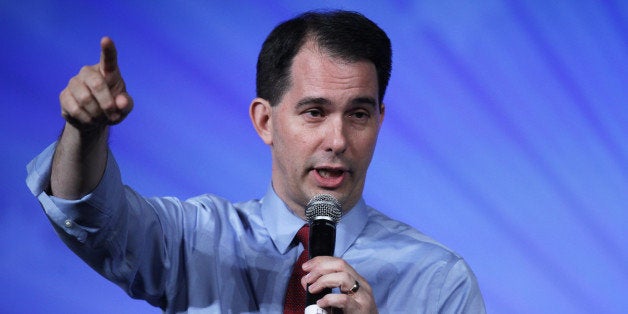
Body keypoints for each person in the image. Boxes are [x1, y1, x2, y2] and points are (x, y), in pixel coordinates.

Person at [26, 10, 485, 313]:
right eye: (315, 112)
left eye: (359, 114)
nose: (339, 139)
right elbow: (87, 216)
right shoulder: (195, 239)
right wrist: (84, 132)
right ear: (265, 121)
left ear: (380, 121)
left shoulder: (439, 282)